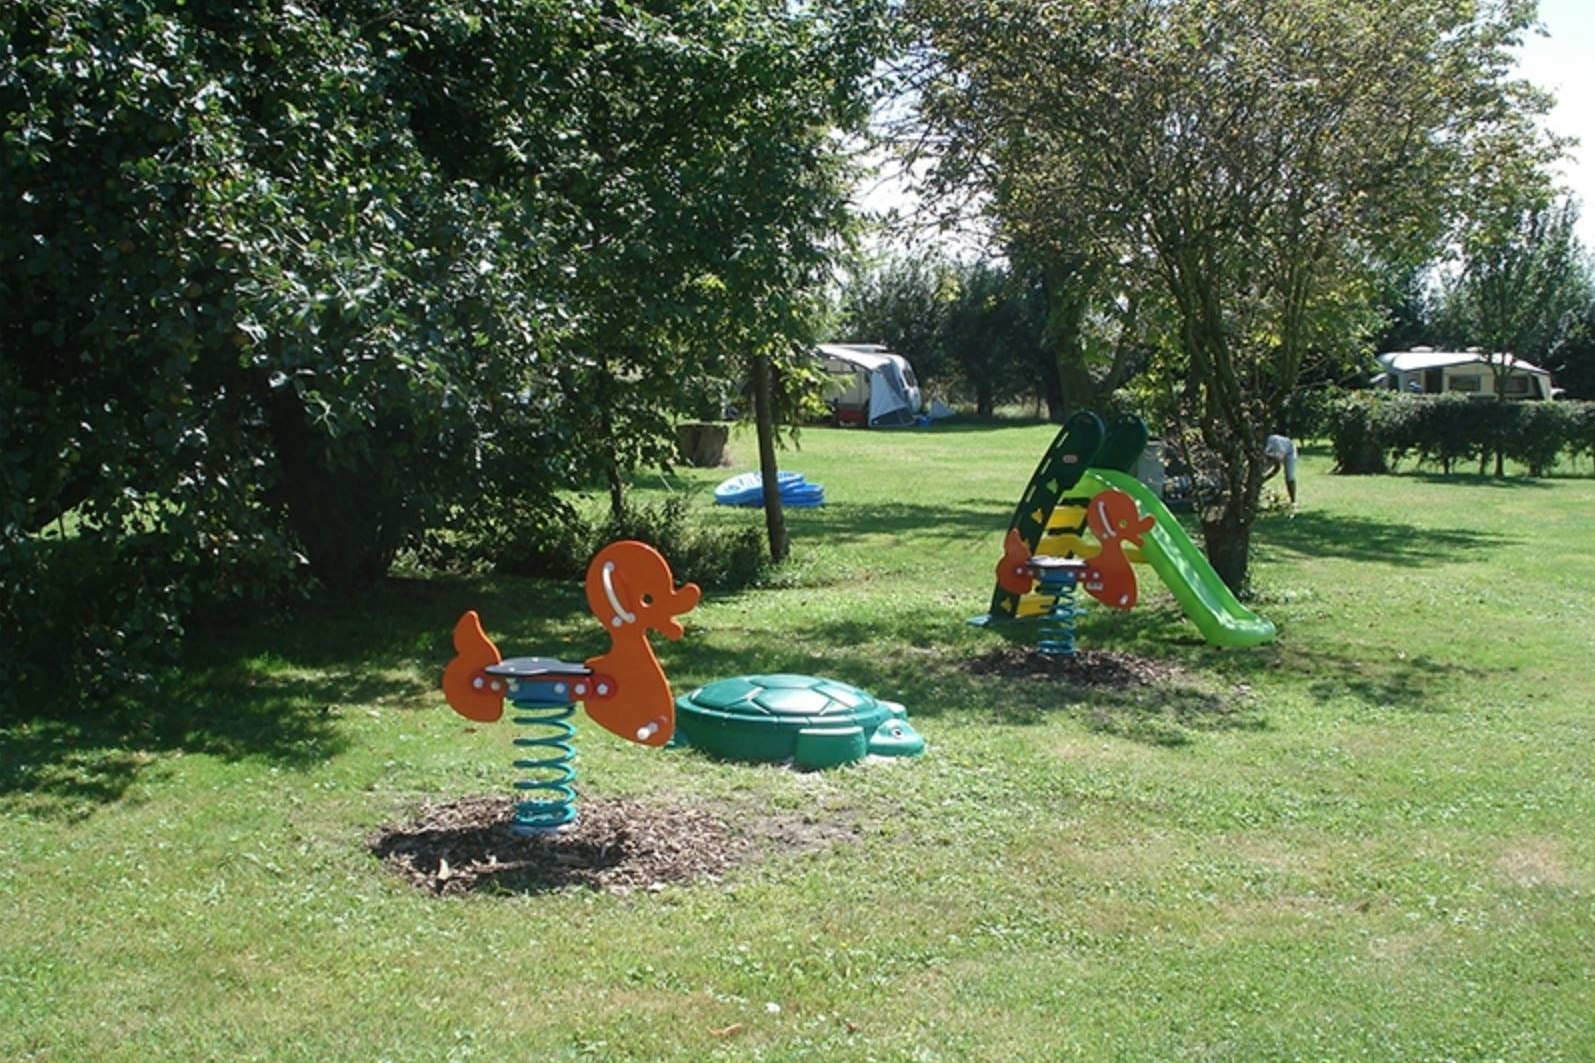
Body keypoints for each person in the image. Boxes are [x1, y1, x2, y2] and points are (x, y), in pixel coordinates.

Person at [1262, 433, 1297, 513]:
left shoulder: (1275, 444)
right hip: (1273, 454)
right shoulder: (1256, 445)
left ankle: (1293, 502)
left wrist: (1265, 479)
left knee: (1289, 476)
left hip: (1289, 451)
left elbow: (1277, 467)